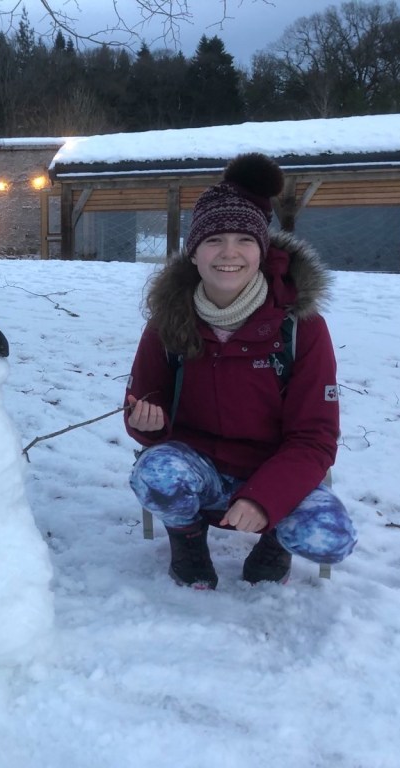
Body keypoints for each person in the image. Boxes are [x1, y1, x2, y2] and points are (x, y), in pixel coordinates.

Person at [123, 152, 357, 589]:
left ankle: (275, 546)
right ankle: (188, 542)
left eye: (244, 240)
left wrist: (266, 499)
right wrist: (146, 423)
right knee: (154, 475)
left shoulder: (300, 328)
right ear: (194, 253)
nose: (229, 253)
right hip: (200, 466)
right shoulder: (168, 322)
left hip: (274, 467)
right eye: (214, 240)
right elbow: (144, 407)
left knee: (331, 539)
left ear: (262, 250)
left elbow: (315, 438)